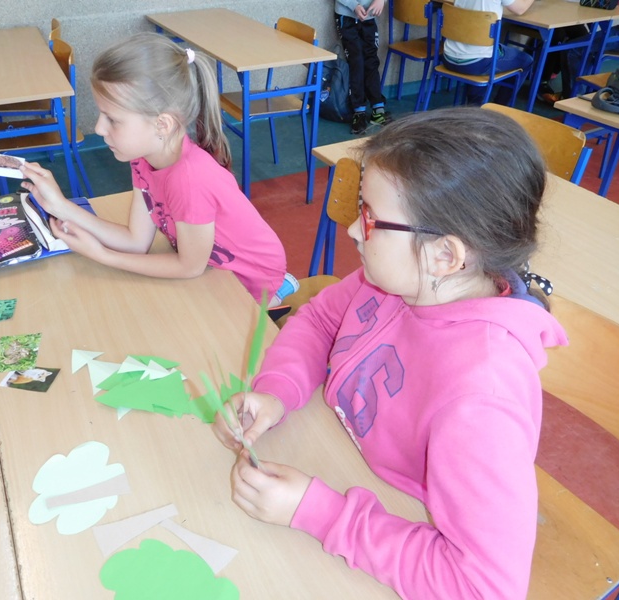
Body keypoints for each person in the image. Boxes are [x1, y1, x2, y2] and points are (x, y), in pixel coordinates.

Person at [212, 108, 568, 598]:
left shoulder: (483, 401)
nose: (354, 231)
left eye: (371, 218)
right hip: (344, 460)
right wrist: (277, 391)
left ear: (445, 255)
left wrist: (320, 514)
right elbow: (320, 320)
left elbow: (482, 587)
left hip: (395, 531)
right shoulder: (399, 280)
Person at [20, 32, 294, 306]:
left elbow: (189, 267)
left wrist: (103, 255)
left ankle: (282, 290)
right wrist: (61, 206)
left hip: (251, 283)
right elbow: (136, 241)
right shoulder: (144, 158)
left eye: (112, 119)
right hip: (211, 269)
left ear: (162, 124)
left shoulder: (189, 180)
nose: (99, 128)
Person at [442, 0, 536, 105]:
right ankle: (498, 106)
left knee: (481, 50)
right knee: (526, 61)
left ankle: (475, 103)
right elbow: (520, 9)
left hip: (448, 57)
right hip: (478, 64)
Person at [562, 0, 619, 99]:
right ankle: (583, 90)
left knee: (572, 48)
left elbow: (612, 2)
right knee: (588, 48)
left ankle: (574, 97)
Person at [334, 0, 393, 134]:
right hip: (347, 17)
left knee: (371, 61)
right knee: (356, 63)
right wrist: (354, 6)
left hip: (369, 16)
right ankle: (358, 111)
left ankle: (378, 109)